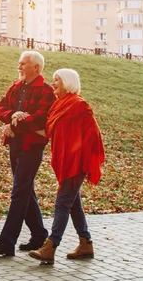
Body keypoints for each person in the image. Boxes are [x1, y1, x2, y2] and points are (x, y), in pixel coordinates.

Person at [29, 68, 105, 265]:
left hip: (76, 163)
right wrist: (19, 124)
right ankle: (85, 243)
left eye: (57, 80)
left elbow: (94, 136)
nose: (53, 84)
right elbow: (48, 131)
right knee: (73, 205)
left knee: (63, 202)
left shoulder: (80, 106)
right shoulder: (59, 105)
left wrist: (80, 156)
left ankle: (51, 246)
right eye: (54, 80)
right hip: (64, 162)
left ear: (68, 82)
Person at [0, 51, 55, 257]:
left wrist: (16, 123)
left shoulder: (46, 91)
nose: (19, 67)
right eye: (19, 63)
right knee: (25, 190)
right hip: (15, 144)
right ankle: (39, 235)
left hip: (31, 147)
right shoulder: (15, 87)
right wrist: (11, 117)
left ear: (36, 67)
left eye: (23, 64)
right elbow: (0, 107)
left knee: (19, 192)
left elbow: (41, 118)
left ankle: (7, 242)